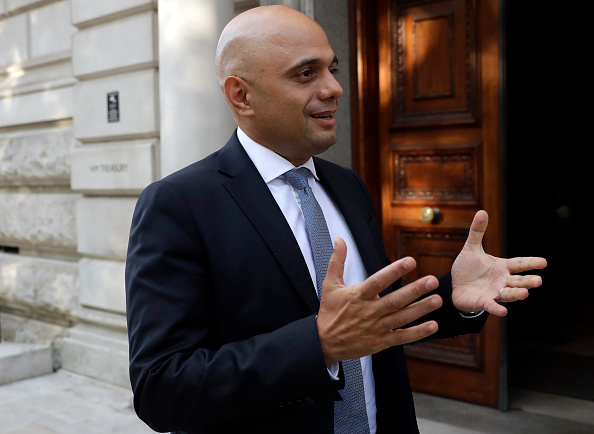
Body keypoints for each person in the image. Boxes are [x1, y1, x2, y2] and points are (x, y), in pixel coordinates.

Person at [125, 5, 546, 434]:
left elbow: (372, 316)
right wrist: (319, 346)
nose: (334, 88)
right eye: (306, 74)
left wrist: (453, 296)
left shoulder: (346, 185)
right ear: (241, 95)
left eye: (332, 68)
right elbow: (162, 390)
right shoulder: (178, 204)